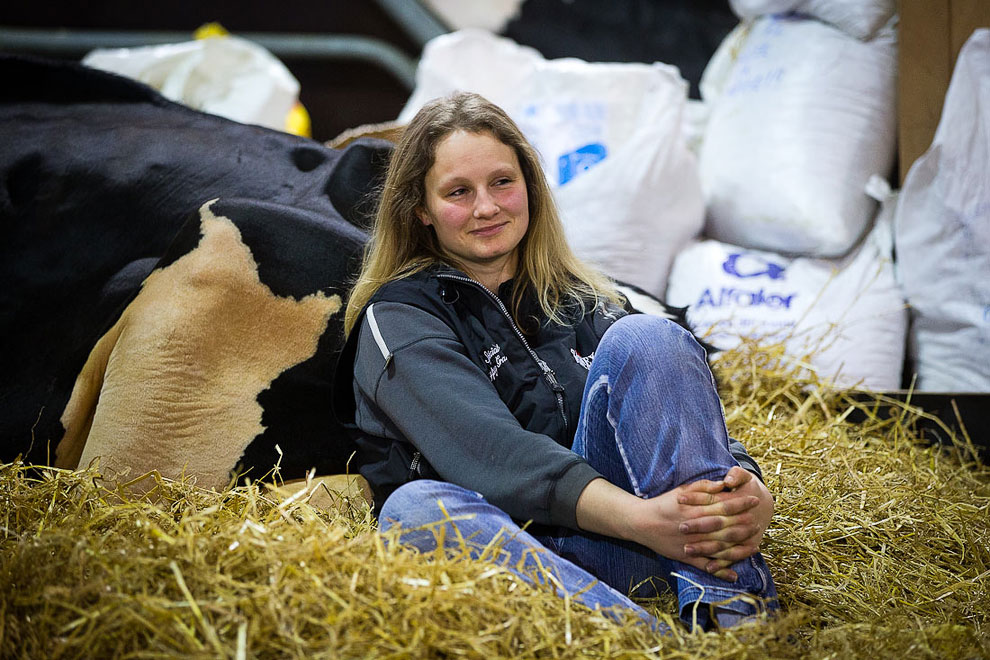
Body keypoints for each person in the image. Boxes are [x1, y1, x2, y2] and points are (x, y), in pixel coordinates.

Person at [334, 91, 777, 631]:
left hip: (643, 544)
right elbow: (494, 456)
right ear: (421, 210)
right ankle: (649, 642)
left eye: (502, 181)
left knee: (648, 337)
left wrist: (746, 486)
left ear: (530, 187)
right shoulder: (400, 317)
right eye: (458, 192)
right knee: (417, 512)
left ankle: (735, 618)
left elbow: (683, 420)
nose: (487, 207)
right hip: (514, 553)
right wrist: (645, 520)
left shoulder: (586, 298)